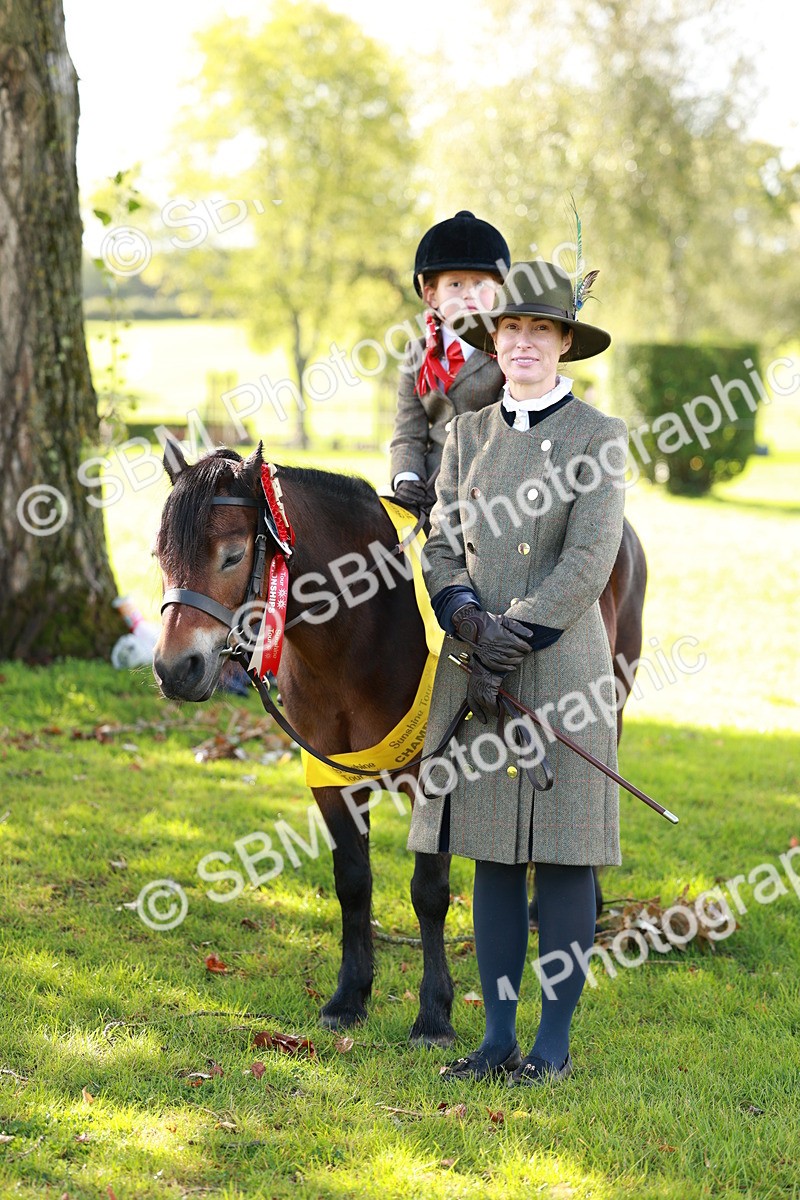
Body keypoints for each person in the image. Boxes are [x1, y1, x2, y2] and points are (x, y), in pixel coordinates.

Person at [407, 260, 628, 1085]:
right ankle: (497, 1037)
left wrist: (517, 632)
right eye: (511, 330)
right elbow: (440, 540)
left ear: (565, 344)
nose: (524, 343)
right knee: (492, 857)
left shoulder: (598, 438)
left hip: (561, 670)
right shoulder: (466, 437)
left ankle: (553, 1045)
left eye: (540, 330)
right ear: (493, 344)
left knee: (566, 860)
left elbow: (588, 560)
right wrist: (462, 613)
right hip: (477, 673)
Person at [390, 211, 510, 513]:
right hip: (427, 486)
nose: (469, 294)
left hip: (490, 482)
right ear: (431, 295)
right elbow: (408, 432)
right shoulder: (416, 353)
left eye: (481, 284)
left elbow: (505, 428)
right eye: (455, 285)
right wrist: (406, 477)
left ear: (498, 292)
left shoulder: (506, 350)